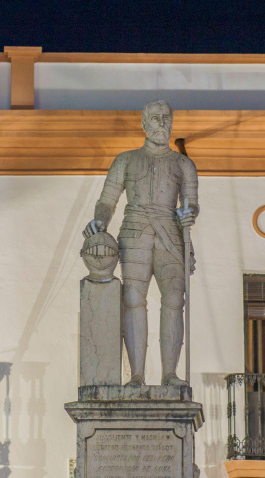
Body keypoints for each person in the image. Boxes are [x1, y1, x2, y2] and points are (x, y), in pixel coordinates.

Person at [83, 100, 198, 386]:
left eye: (166, 117)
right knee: (133, 300)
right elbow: (107, 201)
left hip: (171, 232)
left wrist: (189, 213)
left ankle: (170, 374)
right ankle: (136, 375)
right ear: (145, 124)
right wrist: (100, 222)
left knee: (174, 301)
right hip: (134, 231)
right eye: (156, 118)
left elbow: (192, 203)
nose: (162, 123)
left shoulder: (184, 164)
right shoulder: (125, 160)